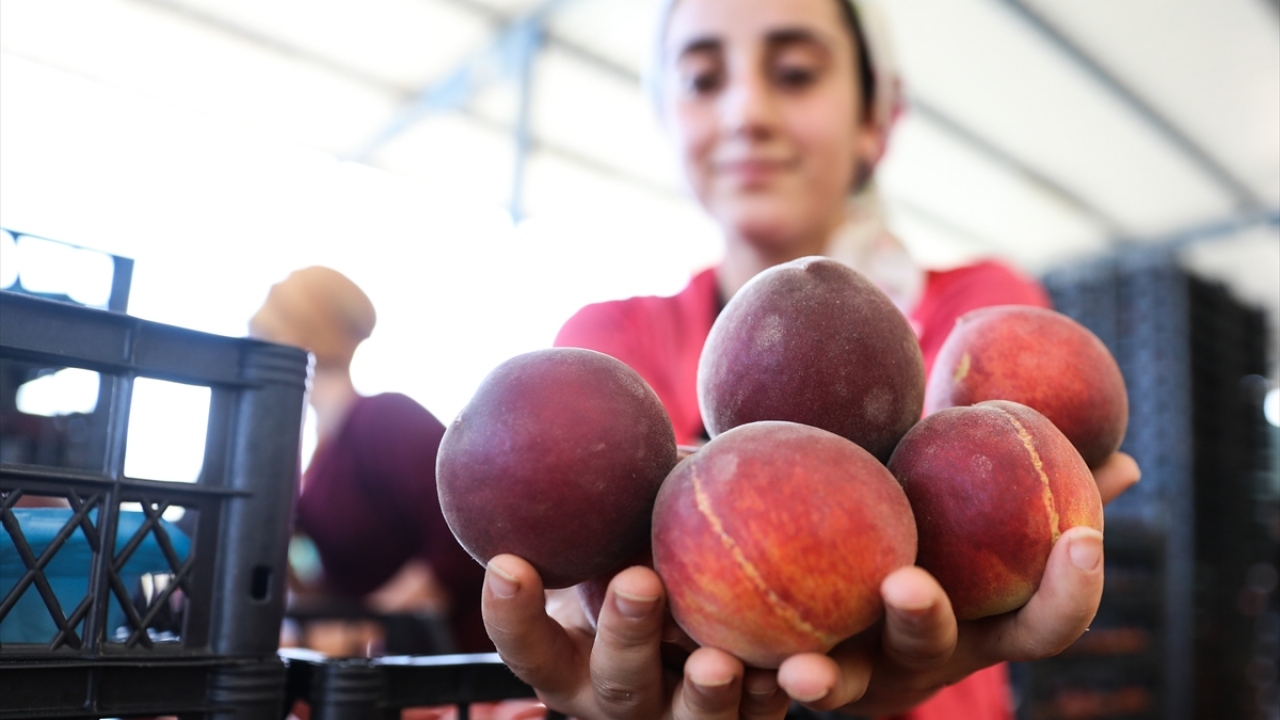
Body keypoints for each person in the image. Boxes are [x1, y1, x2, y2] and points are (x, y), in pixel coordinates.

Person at [479, 0, 1142, 718]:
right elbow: (591, 558)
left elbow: (993, 490)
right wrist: (572, 606)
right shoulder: (608, 341)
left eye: (795, 72)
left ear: (875, 119)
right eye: (702, 79)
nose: (746, 113)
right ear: (667, 120)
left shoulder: (977, 312)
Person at [249, 266, 491, 655]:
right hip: (377, 666)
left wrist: (361, 628)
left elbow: (460, 544)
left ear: (295, 337)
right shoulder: (319, 453)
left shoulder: (384, 420)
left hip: (442, 663)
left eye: (265, 340)